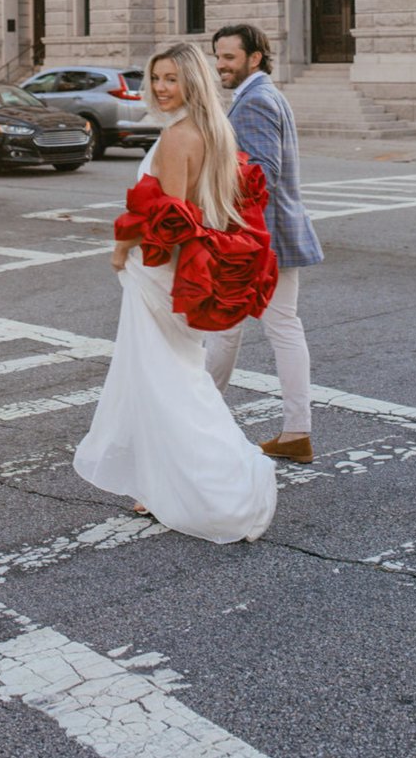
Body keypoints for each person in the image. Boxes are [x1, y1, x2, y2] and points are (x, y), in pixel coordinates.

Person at [73, 41, 277, 544]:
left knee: (168, 382)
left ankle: (218, 488)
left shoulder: (177, 139)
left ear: (192, 82)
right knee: (165, 379)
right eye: (155, 78)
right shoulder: (213, 131)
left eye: (171, 79)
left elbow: (167, 216)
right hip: (180, 277)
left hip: (159, 274)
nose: (160, 88)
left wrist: (121, 250)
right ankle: (159, 483)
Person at [205, 24, 323, 464]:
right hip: (273, 235)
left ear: (255, 58)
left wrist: (207, 188)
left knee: (223, 327)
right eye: (218, 57)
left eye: (229, 58)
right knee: (280, 327)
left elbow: (258, 176)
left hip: (255, 240)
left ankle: (198, 420)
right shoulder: (265, 95)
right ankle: (296, 431)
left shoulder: (254, 101)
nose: (220, 66)